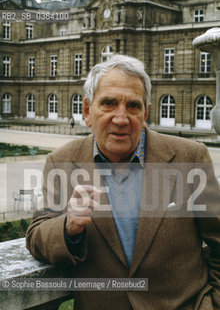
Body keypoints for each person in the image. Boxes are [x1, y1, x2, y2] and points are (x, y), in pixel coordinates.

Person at [26, 55, 220, 310]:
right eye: (108, 103)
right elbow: (36, 234)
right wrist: (68, 227)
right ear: (87, 111)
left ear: (146, 113)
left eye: (133, 106)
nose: (121, 118)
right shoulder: (61, 161)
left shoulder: (190, 157)